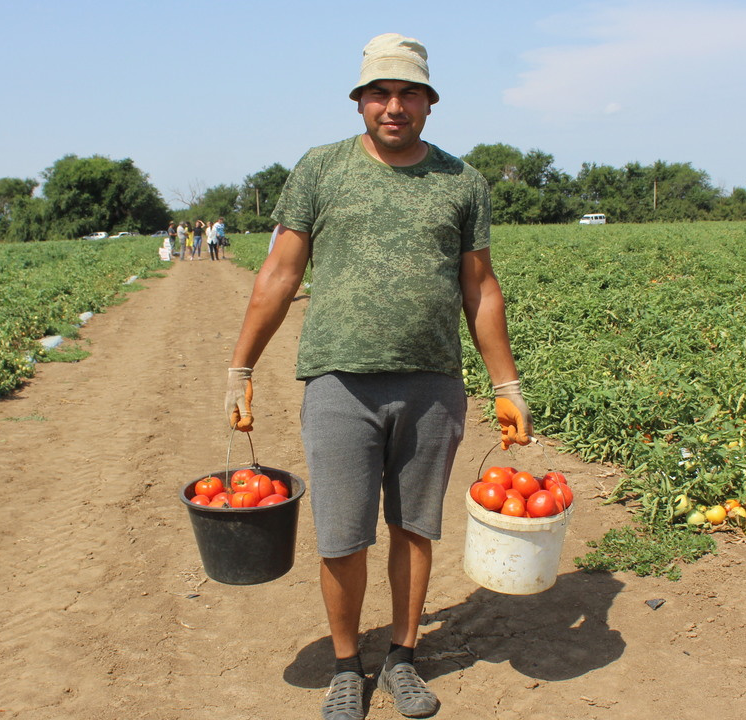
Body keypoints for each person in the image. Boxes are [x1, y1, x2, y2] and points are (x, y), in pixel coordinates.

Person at [224, 33, 531, 720]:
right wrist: (241, 366)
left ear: (429, 102)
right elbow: (279, 273)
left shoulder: (462, 182)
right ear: (361, 101)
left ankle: (402, 656)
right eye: (380, 93)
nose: (394, 106)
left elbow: (480, 289)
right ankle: (344, 666)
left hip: (431, 385)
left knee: (415, 529)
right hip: (339, 382)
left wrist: (505, 385)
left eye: (408, 94)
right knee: (340, 535)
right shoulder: (321, 170)